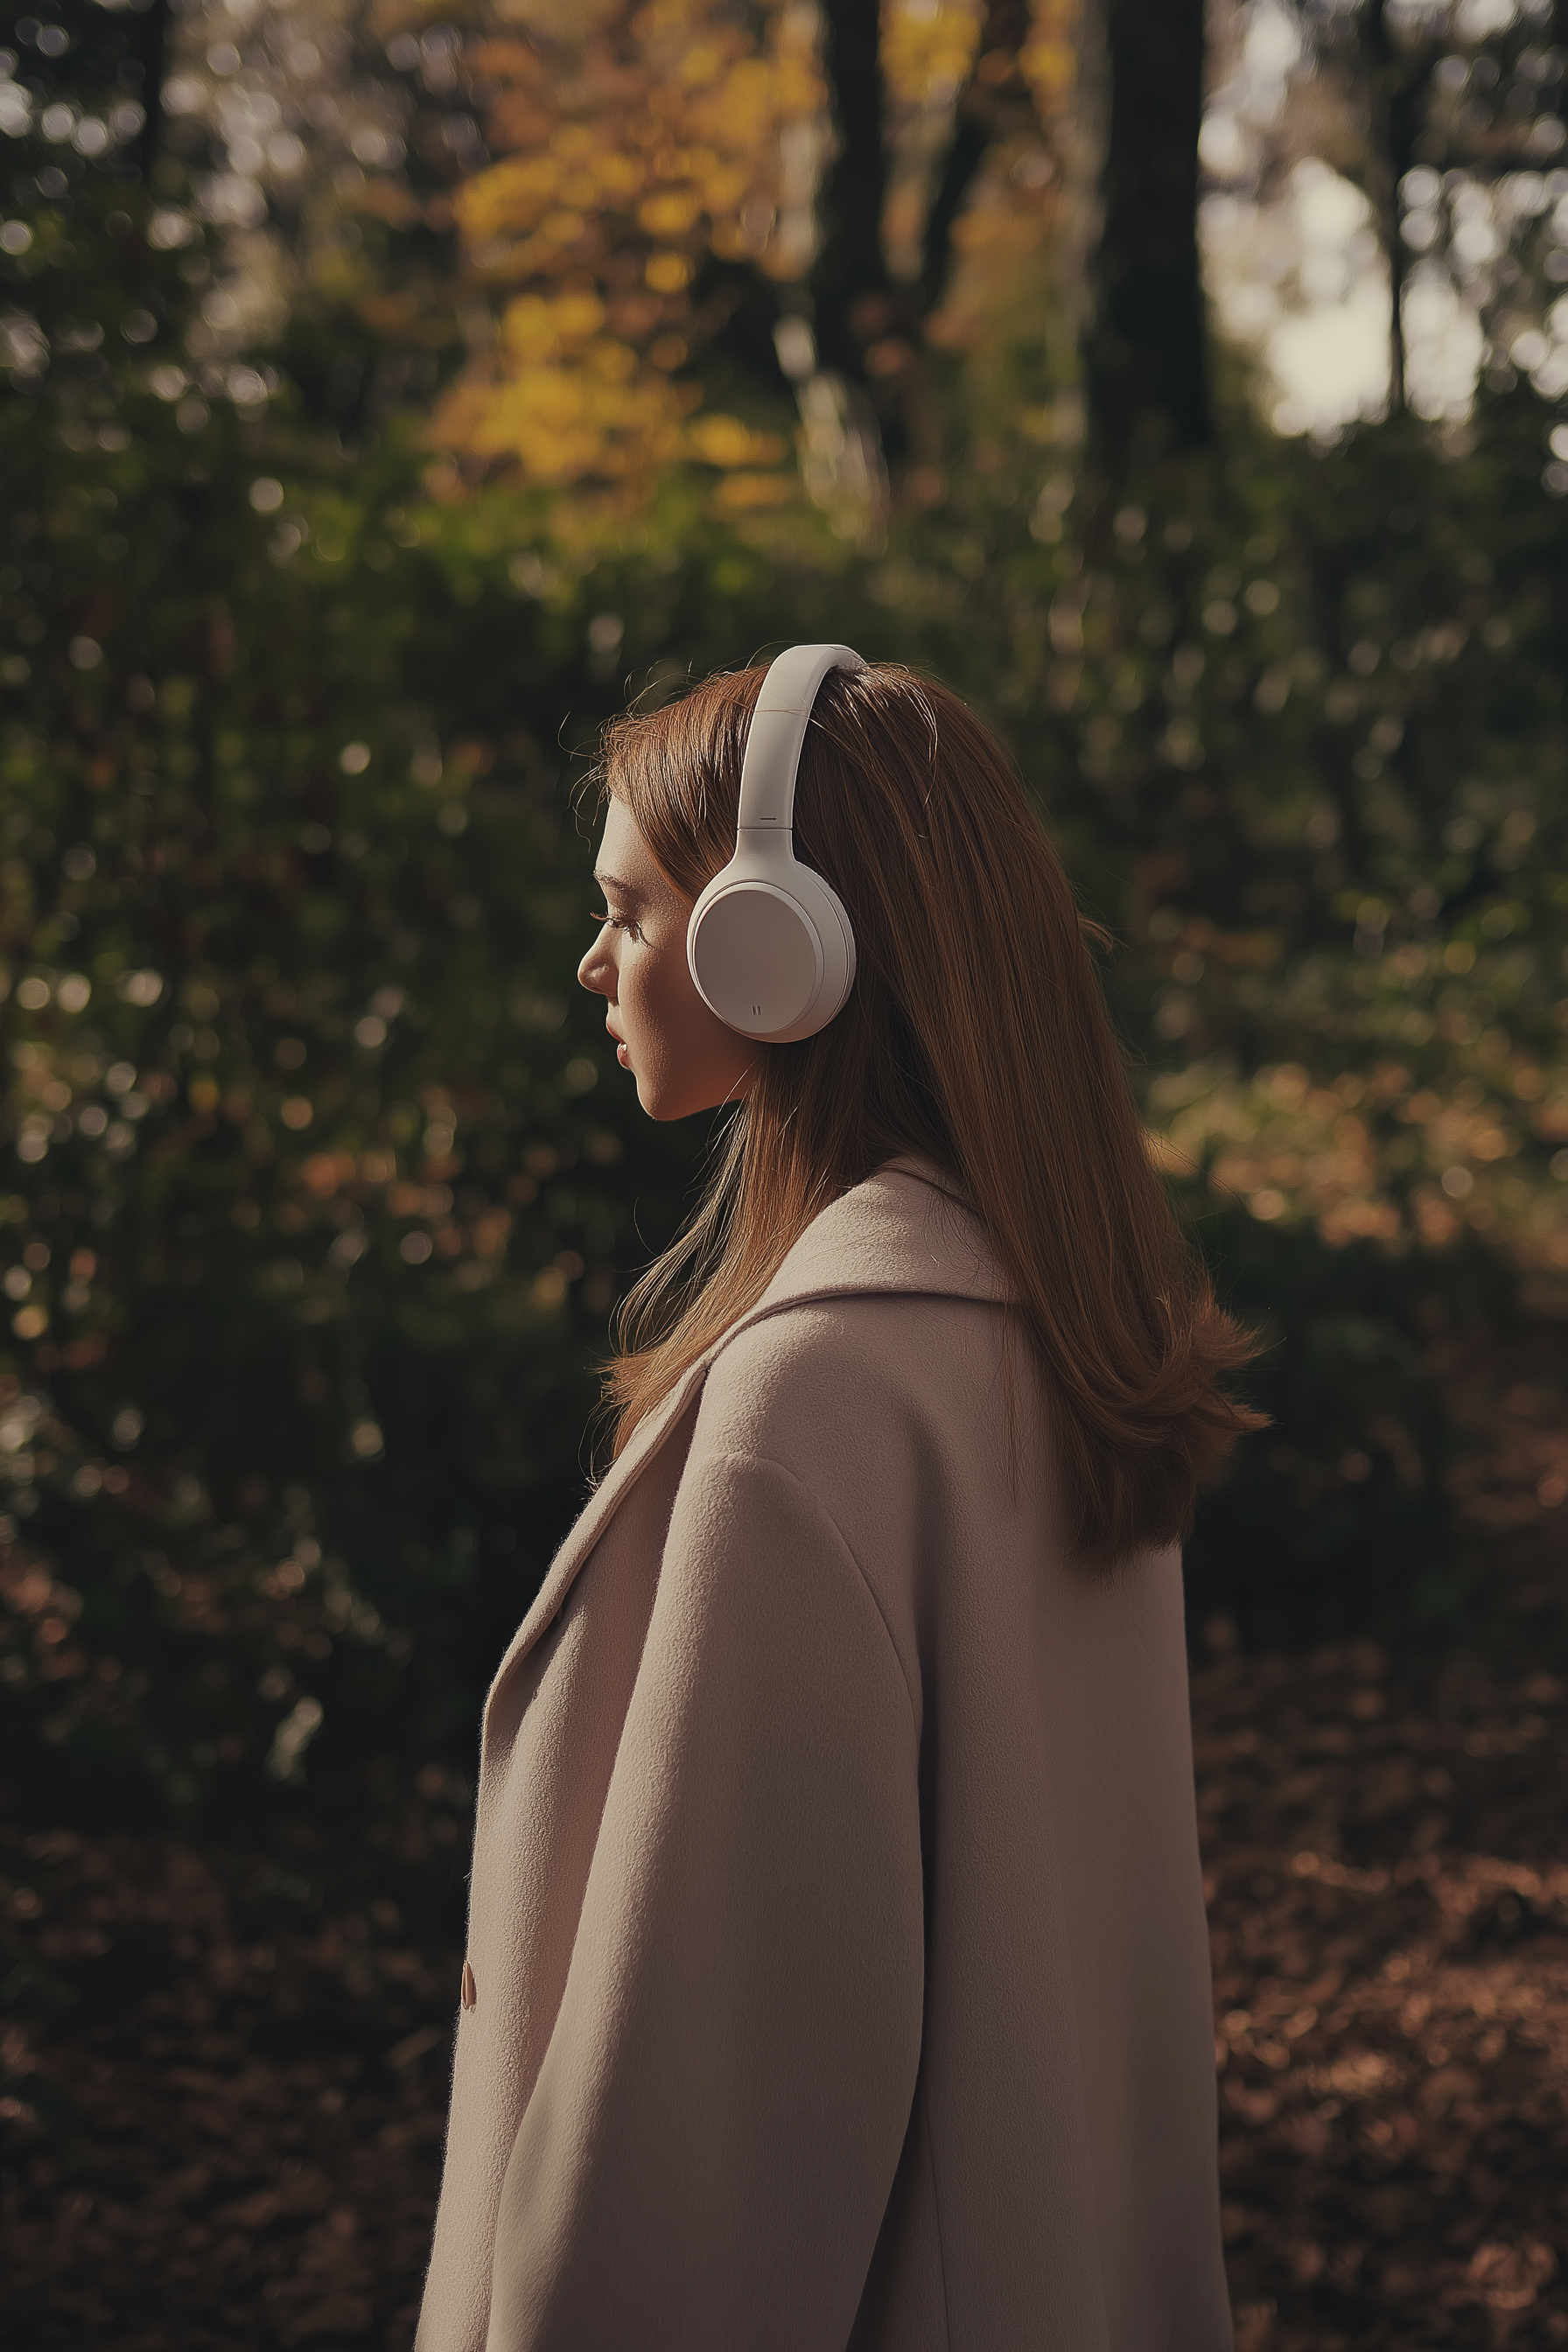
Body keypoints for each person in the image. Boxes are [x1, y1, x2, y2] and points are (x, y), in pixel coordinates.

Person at [416, 648, 1258, 2351]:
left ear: (774, 951)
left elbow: (711, 2122)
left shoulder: (810, 1403)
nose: (592, 963)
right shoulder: (1049, 1325)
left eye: (629, 916)